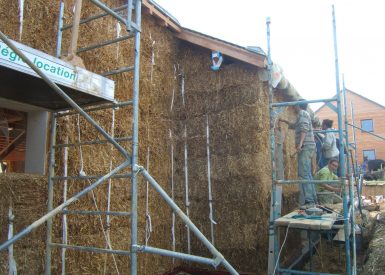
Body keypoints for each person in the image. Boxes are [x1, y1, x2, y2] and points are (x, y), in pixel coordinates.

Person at [280, 100, 317, 206]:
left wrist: (300, 144)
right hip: (308, 146)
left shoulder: (303, 113)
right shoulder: (304, 115)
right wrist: (285, 121)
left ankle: (309, 201)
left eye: (295, 105)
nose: (294, 107)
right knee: (308, 173)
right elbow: (296, 125)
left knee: (303, 174)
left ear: (298, 106)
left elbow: (304, 129)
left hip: (305, 146)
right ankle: (313, 198)